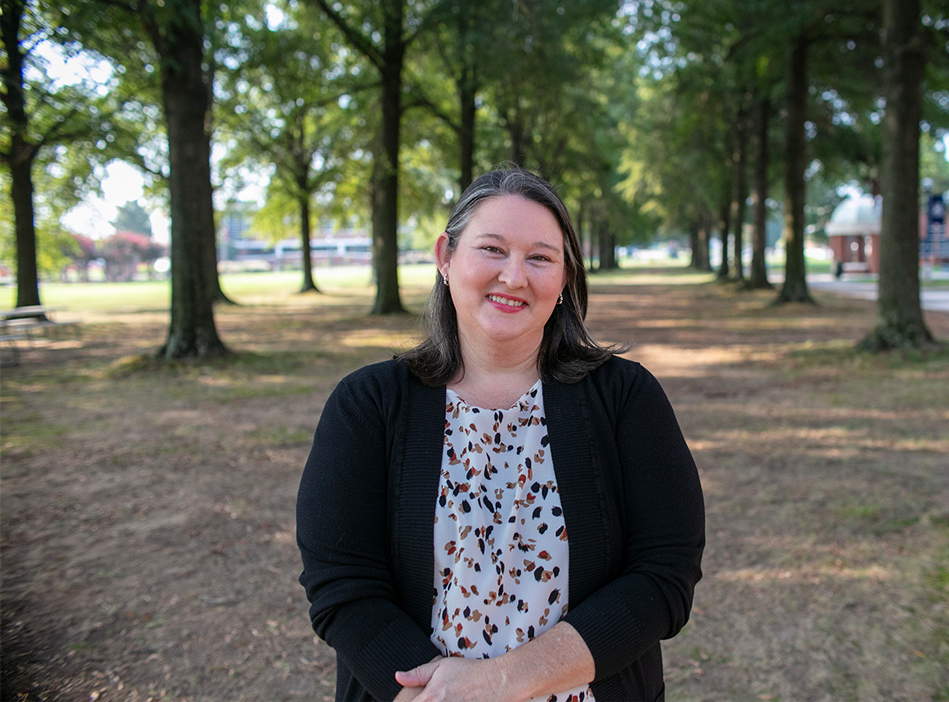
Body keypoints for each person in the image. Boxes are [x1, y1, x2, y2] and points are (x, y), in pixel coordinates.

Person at [297, 167, 705, 702]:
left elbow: (663, 577)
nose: (515, 276)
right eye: (492, 249)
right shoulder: (367, 406)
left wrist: (499, 683)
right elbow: (342, 587)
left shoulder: (626, 399)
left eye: (540, 257)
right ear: (446, 257)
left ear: (564, 279)